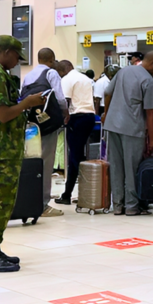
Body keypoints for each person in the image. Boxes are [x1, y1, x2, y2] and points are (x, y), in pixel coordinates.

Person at [0, 35, 45, 272]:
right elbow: (4, 115)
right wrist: (28, 103)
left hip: (3, 145)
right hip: (2, 147)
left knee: (4, 198)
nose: (17, 61)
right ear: (5, 52)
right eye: (16, 56)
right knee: (0, 199)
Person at [103, 52, 153, 216]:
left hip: (112, 124)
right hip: (132, 128)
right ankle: (131, 206)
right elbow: (149, 113)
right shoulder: (148, 81)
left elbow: (107, 92)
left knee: (115, 166)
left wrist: (107, 114)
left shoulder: (124, 71)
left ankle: (117, 205)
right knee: (131, 167)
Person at [21, 48, 68, 218]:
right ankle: (43, 204)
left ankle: (30, 200)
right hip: (48, 124)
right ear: (52, 60)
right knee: (46, 162)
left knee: (32, 161)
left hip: (32, 125)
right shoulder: (51, 73)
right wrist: (65, 113)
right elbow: (61, 98)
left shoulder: (28, 75)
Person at [54, 61, 96, 205]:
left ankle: (67, 194)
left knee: (74, 157)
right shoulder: (85, 79)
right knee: (81, 156)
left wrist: (63, 117)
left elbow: (64, 101)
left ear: (62, 69)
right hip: (90, 117)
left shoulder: (67, 79)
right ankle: (86, 190)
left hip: (77, 118)